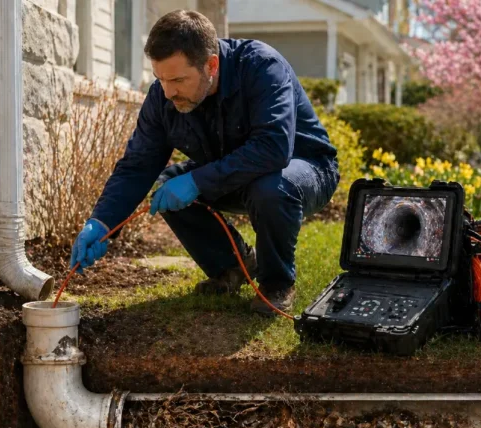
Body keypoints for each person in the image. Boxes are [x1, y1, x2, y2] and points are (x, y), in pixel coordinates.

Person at [69, 10, 339, 315]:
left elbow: (273, 147)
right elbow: (138, 164)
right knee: (166, 185)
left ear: (211, 65)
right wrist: (101, 222)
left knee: (269, 187)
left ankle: (276, 282)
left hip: (303, 169)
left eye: (178, 79)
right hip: (236, 174)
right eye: (160, 79)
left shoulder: (262, 67)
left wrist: (197, 181)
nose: (168, 92)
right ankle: (233, 267)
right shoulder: (163, 96)